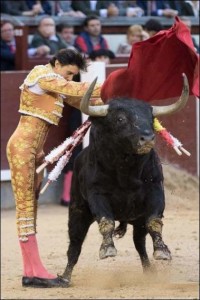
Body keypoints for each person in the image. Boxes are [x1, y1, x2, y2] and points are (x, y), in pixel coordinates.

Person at [6, 48, 102, 288]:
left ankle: (31, 271)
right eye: (68, 72)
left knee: (31, 208)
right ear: (57, 63)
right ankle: (34, 271)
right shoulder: (42, 75)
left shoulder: (56, 85)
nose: (69, 78)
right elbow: (78, 90)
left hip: (34, 152)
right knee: (26, 210)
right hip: (21, 149)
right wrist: (118, 84)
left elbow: (84, 99)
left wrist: (122, 97)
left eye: (73, 75)